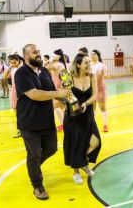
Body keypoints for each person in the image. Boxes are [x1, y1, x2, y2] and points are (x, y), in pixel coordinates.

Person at [15, 44, 70, 200]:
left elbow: (53, 92)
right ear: (26, 56)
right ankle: (37, 185)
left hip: (46, 121)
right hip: (29, 123)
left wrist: (68, 98)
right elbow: (34, 94)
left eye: (38, 52)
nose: (38, 54)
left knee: (51, 149)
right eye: (34, 52)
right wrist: (58, 92)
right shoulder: (21, 74)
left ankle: (33, 167)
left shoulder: (45, 71)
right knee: (34, 153)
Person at [63, 53, 101, 185]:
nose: (89, 65)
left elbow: (95, 94)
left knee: (95, 141)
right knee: (75, 143)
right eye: (86, 62)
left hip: (88, 114)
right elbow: (65, 95)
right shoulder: (69, 78)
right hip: (73, 116)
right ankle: (76, 172)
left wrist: (85, 103)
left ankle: (83, 162)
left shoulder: (92, 76)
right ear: (78, 64)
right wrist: (71, 102)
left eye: (89, 62)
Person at [47, 50, 66, 132]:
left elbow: (47, 68)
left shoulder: (58, 64)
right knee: (61, 106)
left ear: (59, 56)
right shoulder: (61, 64)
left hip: (58, 88)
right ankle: (64, 124)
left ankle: (63, 124)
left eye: (54, 55)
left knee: (55, 106)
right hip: (59, 87)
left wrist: (50, 61)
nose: (53, 56)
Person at [3, 54, 22, 138]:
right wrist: (9, 67)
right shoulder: (12, 69)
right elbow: (4, 77)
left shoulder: (23, 68)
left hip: (22, 91)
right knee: (16, 111)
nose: (13, 62)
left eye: (15, 60)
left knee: (23, 111)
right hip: (14, 92)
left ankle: (24, 129)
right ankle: (20, 130)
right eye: (11, 60)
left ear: (18, 60)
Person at [90, 49, 109, 132]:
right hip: (90, 89)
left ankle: (105, 125)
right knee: (92, 108)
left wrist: (104, 74)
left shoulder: (102, 65)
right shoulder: (88, 65)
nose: (92, 55)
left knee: (102, 107)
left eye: (94, 54)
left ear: (98, 55)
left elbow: (106, 75)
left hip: (100, 88)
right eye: (91, 54)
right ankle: (93, 126)